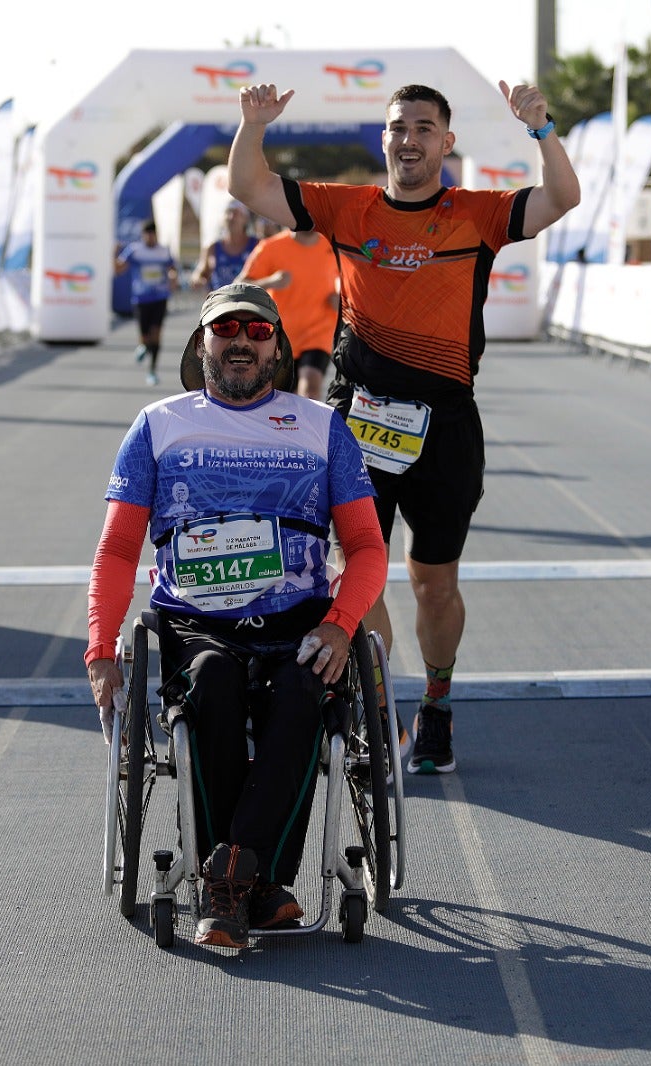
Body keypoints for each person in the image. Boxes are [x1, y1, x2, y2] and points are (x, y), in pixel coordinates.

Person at [229, 80, 580, 776]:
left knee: (433, 584)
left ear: (445, 144)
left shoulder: (474, 215)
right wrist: (253, 124)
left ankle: (438, 702)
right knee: (357, 572)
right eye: (398, 127)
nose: (409, 139)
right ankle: (381, 713)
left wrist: (541, 130)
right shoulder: (347, 206)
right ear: (384, 139)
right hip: (356, 421)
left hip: (445, 429)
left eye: (424, 128)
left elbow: (561, 199)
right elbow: (250, 184)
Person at [84, 282, 387, 951]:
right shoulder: (159, 425)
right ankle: (264, 886)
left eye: (258, 331)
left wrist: (340, 624)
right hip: (196, 623)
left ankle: (229, 877)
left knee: (305, 690)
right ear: (203, 344)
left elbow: (367, 547)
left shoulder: (322, 428)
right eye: (228, 330)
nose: (243, 341)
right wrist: (101, 651)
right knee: (213, 681)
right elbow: (116, 548)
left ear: (277, 347)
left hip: (298, 619)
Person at [235, 227, 341, 401]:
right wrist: (270, 282)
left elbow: (350, 280)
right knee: (280, 399)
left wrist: (341, 300)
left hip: (317, 334)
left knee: (310, 390)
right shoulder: (271, 246)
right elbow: (239, 286)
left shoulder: (333, 246)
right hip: (281, 336)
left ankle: (307, 428)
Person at [114, 221, 179, 386]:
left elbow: (172, 268)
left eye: (152, 234)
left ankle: (152, 370)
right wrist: (113, 255)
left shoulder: (163, 252)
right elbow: (119, 269)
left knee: (156, 334)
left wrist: (172, 277)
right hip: (141, 299)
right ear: (143, 235)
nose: (149, 237)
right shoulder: (135, 251)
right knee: (145, 337)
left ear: (156, 235)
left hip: (159, 298)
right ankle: (143, 345)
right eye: (147, 234)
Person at [190, 202, 257, 292]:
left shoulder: (257, 245)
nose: (231, 217)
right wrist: (197, 280)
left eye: (236, 213)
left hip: (249, 301)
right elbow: (199, 272)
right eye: (228, 212)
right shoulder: (212, 247)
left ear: (245, 219)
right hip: (220, 302)